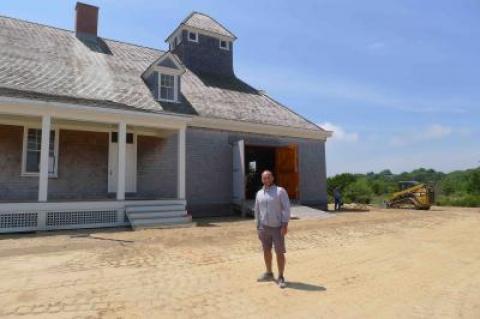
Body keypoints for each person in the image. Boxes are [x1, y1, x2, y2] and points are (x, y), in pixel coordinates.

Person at [254, 170, 291, 289]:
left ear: (272, 178)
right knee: (266, 251)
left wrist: (285, 224)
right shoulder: (259, 194)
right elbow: (257, 211)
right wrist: (258, 227)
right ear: (262, 180)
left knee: (279, 252)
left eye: (268, 177)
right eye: (264, 178)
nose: (266, 180)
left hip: (277, 228)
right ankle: (269, 273)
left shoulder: (280, 191)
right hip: (264, 228)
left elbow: (286, 208)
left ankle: (281, 276)